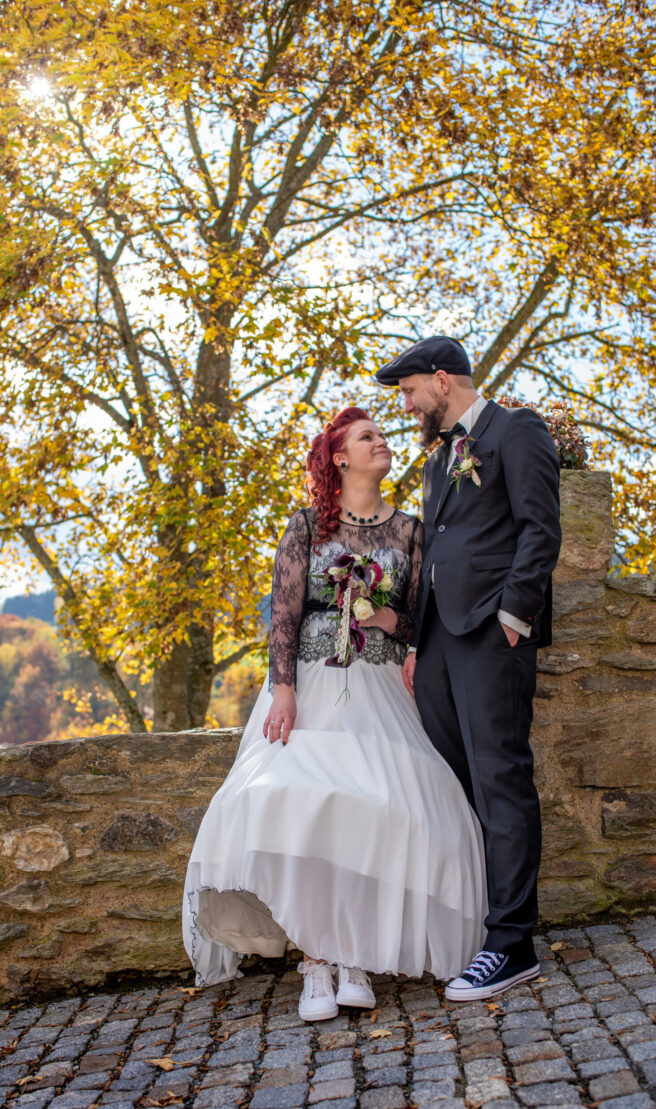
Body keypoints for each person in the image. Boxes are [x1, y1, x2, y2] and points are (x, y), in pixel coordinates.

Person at [183, 406, 487, 1021]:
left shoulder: (409, 530)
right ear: (340, 456)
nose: (383, 442)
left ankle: (356, 953)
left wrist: (386, 620)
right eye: (367, 436)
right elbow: (284, 618)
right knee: (298, 805)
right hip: (313, 688)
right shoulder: (305, 526)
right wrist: (284, 689)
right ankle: (317, 962)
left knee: (388, 811)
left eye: (382, 435)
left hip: (382, 687)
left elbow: (422, 620)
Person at [376, 336, 562, 1001]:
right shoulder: (437, 463)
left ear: (441, 380)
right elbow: (436, 554)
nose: (406, 406)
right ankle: (472, 928)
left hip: (491, 636)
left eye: (409, 393)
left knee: (501, 782)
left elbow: (541, 528)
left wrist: (513, 618)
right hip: (440, 647)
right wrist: (419, 644)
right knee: (457, 789)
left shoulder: (517, 430)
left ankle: (512, 945)